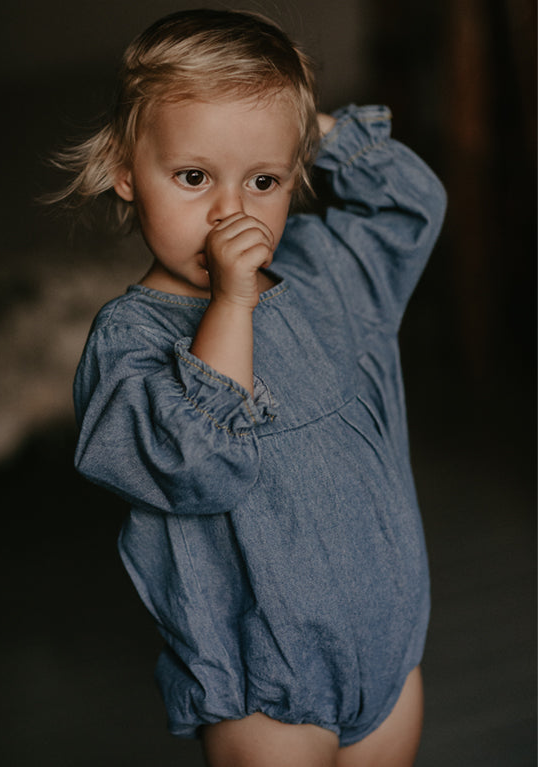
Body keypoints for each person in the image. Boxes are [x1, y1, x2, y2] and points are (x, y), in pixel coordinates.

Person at [57, 9, 446, 766]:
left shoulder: (327, 270)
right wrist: (231, 303)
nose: (230, 212)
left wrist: (309, 126)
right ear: (123, 169)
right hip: (265, 688)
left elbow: (411, 209)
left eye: (263, 179)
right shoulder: (128, 341)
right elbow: (195, 462)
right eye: (194, 175)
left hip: (389, 652)